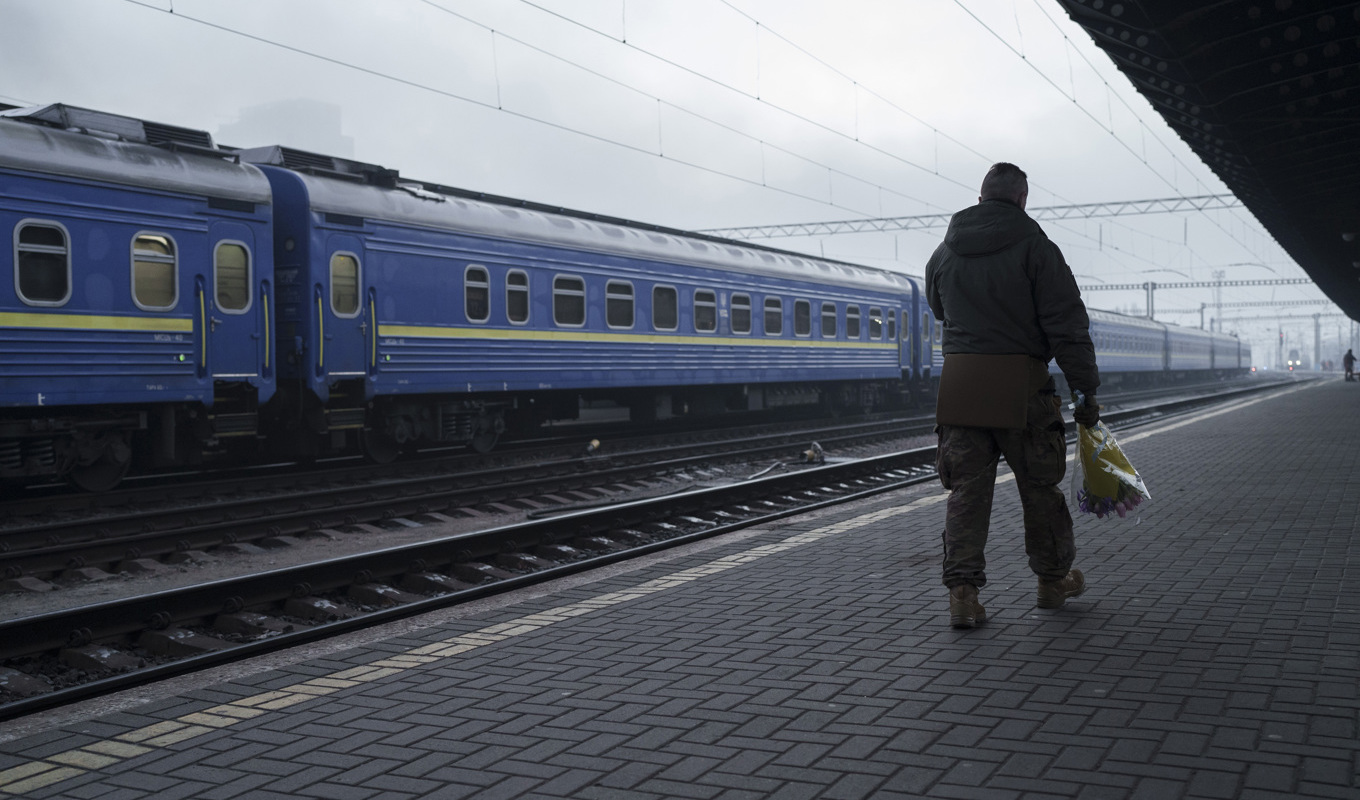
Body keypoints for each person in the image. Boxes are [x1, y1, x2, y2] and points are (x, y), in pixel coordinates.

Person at [924, 162, 1101, 629]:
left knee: (965, 494)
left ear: (980, 198)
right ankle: (1051, 581)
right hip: (1022, 388)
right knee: (1039, 490)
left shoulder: (944, 252)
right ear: (1022, 200)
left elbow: (938, 307)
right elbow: (1067, 326)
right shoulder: (1037, 248)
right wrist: (1086, 391)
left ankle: (963, 595)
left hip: (960, 388)